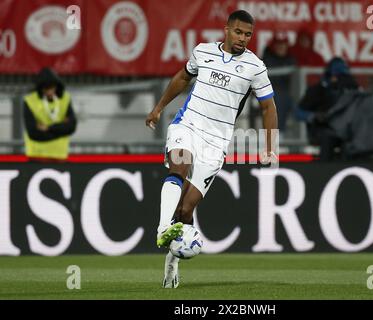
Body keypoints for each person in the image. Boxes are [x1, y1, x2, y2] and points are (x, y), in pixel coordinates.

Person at [145, 10, 278, 288]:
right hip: (187, 125)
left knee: (186, 209)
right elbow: (182, 78)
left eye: (248, 34)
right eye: (238, 32)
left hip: (216, 142)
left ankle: (172, 262)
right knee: (178, 167)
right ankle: (162, 228)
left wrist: (270, 147)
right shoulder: (203, 52)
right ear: (227, 29)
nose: (243, 38)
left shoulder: (255, 67)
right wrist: (158, 109)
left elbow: (268, 107)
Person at [295, 57, 359, 160]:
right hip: (321, 129)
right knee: (328, 138)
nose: (337, 79)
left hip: (345, 130)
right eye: (335, 76)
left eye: (341, 76)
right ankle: (325, 171)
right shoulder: (317, 90)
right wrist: (314, 116)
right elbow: (298, 113)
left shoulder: (352, 92)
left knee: (352, 140)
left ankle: (350, 170)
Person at [23, 67, 77, 162]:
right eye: (46, 88)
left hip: (60, 157)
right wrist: (61, 131)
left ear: (57, 86)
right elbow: (33, 133)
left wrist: (48, 128)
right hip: (37, 156)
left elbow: (71, 127)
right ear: (41, 88)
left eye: (52, 87)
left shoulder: (65, 99)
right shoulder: (30, 101)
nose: (49, 91)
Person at [262, 32, 296, 135]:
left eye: (283, 45)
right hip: (270, 95)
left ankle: (302, 136)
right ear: (274, 46)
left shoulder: (291, 59)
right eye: (278, 45)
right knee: (280, 98)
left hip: (290, 95)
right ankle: (277, 133)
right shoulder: (266, 60)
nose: (281, 47)